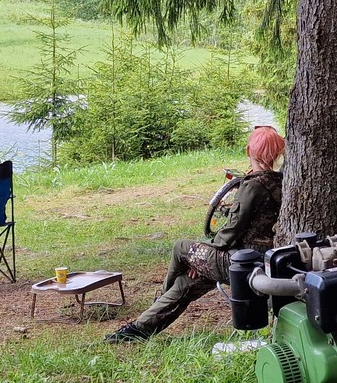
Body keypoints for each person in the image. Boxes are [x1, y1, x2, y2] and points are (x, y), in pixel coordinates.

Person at [107, 127, 284, 342]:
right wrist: (201, 261)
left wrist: (201, 256)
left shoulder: (253, 186)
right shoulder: (282, 181)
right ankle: (137, 330)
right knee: (186, 284)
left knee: (181, 247)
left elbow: (230, 232)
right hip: (265, 260)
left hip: (241, 262)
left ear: (249, 151)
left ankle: (158, 300)